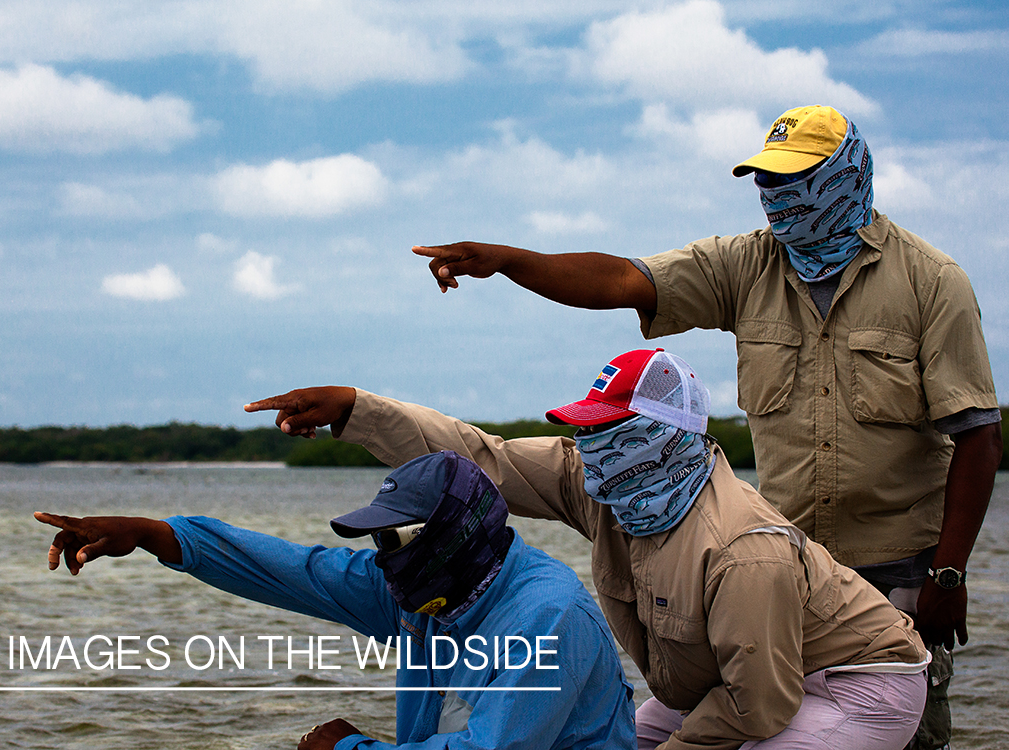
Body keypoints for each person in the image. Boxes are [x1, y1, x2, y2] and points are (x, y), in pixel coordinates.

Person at [409, 105, 1002, 749]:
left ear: (843, 175)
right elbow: (621, 279)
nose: (777, 197)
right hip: (777, 573)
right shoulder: (746, 266)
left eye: (795, 178)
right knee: (748, 718)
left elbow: (976, 434)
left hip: (901, 573)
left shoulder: (931, 282)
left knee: (907, 737)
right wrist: (505, 260)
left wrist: (948, 575)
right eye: (767, 180)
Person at [248, 348, 932, 750]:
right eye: (589, 431)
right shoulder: (605, 484)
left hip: (852, 685)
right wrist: (355, 409)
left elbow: (760, 708)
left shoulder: (741, 550)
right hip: (723, 677)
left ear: (670, 438)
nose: (593, 450)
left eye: (612, 431)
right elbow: (479, 457)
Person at [35, 451, 639, 750]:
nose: (383, 555)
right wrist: (156, 534)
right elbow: (295, 571)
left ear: (454, 532)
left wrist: (353, 749)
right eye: (377, 538)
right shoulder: (422, 591)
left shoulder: (547, 618)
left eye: (394, 536)